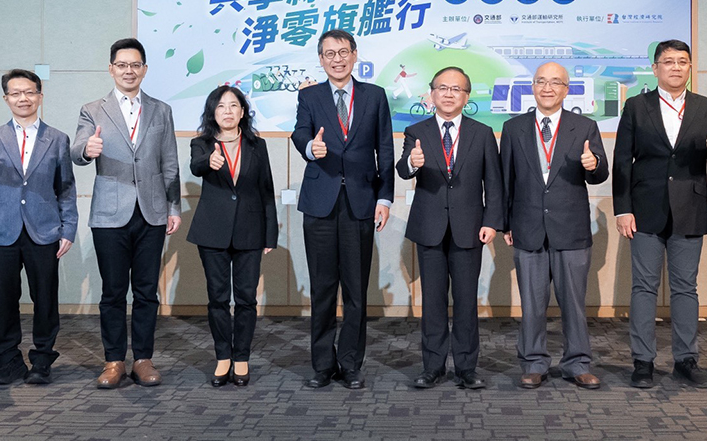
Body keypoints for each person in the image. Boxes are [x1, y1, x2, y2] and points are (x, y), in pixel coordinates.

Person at [613, 39, 707, 389]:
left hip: (689, 209)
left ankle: (686, 359)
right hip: (645, 209)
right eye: (668, 61)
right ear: (655, 68)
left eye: (682, 61)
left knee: (685, 288)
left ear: (690, 67)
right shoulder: (636, 106)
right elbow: (622, 160)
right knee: (644, 287)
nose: (675, 67)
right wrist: (623, 209)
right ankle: (643, 361)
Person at [72, 38, 182, 389]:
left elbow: (169, 162)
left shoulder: (161, 110)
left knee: (147, 291)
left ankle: (143, 359)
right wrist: (87, 149)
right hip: (110, 213)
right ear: (111, 69)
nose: (129, 71)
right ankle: (114, 360)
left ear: (144, 69)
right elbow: (77, 149)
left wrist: (173, 207)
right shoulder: (93, 109)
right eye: (122, 65)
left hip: (152, 211)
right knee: (113, 292)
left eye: (135, 65)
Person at [291, 29, 395, 390]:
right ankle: (322, 365)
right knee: (322, 289)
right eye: (329, 54)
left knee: (355, 290)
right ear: (321, 59)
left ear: (355, 55)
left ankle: (351, 364)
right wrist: (310, 148)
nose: (337, 59)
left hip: (361, 202)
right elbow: (300, 132)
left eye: (343, 52)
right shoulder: (310, 96)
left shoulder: (375, 96)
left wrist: (384, 198)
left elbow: (385, 148)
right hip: (320, 203)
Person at [500, 61, 609, 390]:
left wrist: (593, 164)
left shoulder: (584, 126)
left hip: (570, 229)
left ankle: (577, 363)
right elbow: (506, 180)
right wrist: (506, 223)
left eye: (555, 82)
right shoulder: (514, 128)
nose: (547, 88)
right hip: (527, 226)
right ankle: (533, 363)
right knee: (532, 303)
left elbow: (600, 174)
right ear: (532, 87)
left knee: (574, 303)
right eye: (541, 82)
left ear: (566, 89)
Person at [0, 69, 77, 385]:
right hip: (2, 230)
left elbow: (66, 188)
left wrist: (68, 228)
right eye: (15, 93)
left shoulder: (57, 138)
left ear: (40, 96)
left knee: (45, 299)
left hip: (44, 230)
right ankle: (7, 362)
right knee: (5, 299)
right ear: (6, 99)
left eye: (29, 92)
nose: (23, 98)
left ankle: (42, 360)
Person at [397, 66, 502, 390]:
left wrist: (492, 222)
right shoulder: (416, 131)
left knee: (467, 301)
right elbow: (403, 168)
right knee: (432, 301)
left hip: (469, 228)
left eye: (456, 89)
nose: (448, 94)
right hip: (429, 227)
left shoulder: (482, 133)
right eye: (442, 88)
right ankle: (433, 367)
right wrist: (412, 163)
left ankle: (467, 368)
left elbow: (494, 183)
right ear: (431, 94)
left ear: (466, 97)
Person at [187, 85, 278, 387]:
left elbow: (266, 190)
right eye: (221, 106)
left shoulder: (257, 145)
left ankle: (241, 358)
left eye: (233, 105)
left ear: (242, 112)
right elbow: (196, 166)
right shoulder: (202, 143)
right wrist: (208, 162)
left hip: (251, 231)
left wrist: (270, 234)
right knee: (218, 298)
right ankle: (222, 357)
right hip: (212, 232)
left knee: (246, 299)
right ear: (212, 112)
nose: (227, 111)